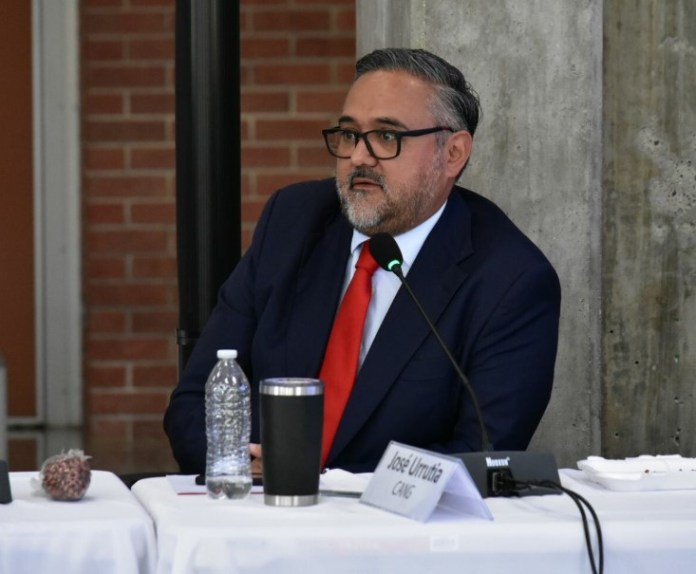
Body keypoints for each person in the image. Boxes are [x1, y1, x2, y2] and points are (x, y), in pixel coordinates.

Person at [164, 47, 561, 475]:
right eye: (350, 134)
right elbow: (197, 401)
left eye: (387, 137)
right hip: (260, 509)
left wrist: (330, 493)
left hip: (395, 532)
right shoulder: (293, 222)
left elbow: (483, 452)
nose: (358, 157)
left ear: (453, 154)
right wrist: (238, 465)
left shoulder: (511, 279)